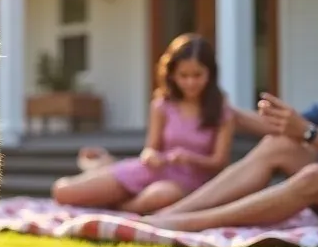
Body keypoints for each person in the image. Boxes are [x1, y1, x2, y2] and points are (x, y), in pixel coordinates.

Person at [145, 10, 318, 231]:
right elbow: (290, 128)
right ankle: (169, 214)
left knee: (317, 175)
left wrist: (308, 133)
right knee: (278, 144)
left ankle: (190, 224)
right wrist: (226, 111)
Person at [51, 34, 235, 213]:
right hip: (151, 171)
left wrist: (190, 158)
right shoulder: (162, 105)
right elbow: (150, 149)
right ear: (172, 75)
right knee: (63, 192)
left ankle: (118, 204)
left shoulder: (222, 111)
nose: (190, 82)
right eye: (183, 76)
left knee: (161, 196)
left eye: (197, 75)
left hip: (188, 183)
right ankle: (107, 170)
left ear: (210, 74)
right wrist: (151, 156)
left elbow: (220, 163)